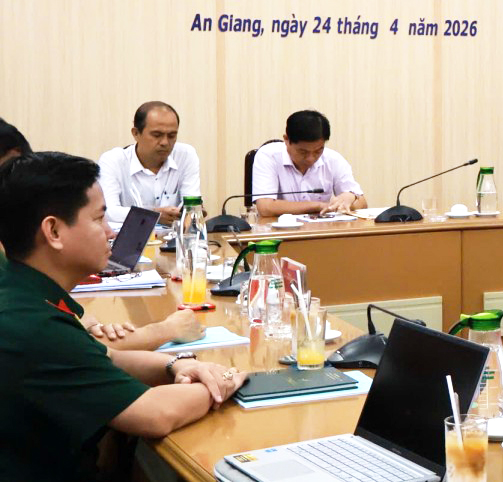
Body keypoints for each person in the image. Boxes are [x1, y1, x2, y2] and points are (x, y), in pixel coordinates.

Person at [0, 152, 245, 479]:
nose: (110, 232)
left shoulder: (18, 287)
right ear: (54, 231)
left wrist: (177, 365)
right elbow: (156, 415)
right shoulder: (36, 326)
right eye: (98, 219)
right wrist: (224, 381)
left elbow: (107, 356)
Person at [97, 101, 201, 229]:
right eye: (157, 135)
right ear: (136, 133)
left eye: (172, 136)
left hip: (172, 238)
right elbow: (108, 212)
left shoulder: (185, 155)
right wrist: (153, 215)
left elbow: (192, 203)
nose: (165, 142)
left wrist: (192, 212)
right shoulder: (113, 160)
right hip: (131, 238)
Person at [251, 110, 367, 217]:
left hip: (321, 229)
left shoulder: (333, 159)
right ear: (286, 140)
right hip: (279, 230)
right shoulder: (268, 156)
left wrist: (350, 198)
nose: (310, 159)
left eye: (318, 151)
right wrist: (318, 206)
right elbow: (265, 207)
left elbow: (362, 204)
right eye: (303, 152)